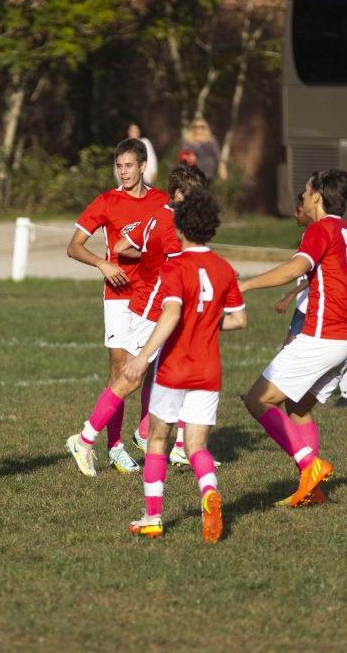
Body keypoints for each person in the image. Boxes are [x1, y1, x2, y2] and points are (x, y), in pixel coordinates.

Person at [240, 170, 347, 508]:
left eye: (305, 192)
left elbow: (294, 269)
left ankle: (310, 465)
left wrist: (245, 285)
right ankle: (312, 488)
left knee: (257, 400)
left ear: (318, 196)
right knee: (299, 406)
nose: (302, 198)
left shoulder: (320, 230)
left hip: (324, 336)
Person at [65, 163, 208, 477]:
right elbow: (181, 268)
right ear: (180, 194)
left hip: (156, 304)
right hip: (153, 310)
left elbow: (124, 246)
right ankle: (85, 439)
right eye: (194, 197)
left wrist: (147, 254)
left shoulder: (159, 215)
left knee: (181, 372)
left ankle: (169, 441)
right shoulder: (171, 223)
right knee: (131, 377)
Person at [123, 189, 246, 542]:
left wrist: (143, 356)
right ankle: (208, 491)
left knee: (158, 440)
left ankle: (153, 516)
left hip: (175, 369)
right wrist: (207, 322)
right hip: (209, 372)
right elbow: (238, 320)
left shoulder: (175, 267)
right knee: (197, 447)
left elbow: (172, 313)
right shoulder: (224, 268)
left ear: (179, 227)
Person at [66, 139, 169, 473]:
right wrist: (102, 263)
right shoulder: (107, 202)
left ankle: (141, 432)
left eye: (129, 166)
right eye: (119, 166)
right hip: (119, 296)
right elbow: (74, 247)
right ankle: (114, 446)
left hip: (152, 295)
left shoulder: (161, 202)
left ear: (142, 166)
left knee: (148, 368)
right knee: (120, 371)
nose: (123, 172)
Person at [273, 193, 347, 407]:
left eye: (299, 209)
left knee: (261, 400)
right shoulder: (342, 233)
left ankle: (271, 392)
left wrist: (288, 295)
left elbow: (303, 274)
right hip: (339, 326)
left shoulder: (319, 232)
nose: (295, 214)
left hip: (313, 307)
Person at [181, 117, 226, 182]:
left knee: (202, 191)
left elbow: (218, 156)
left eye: (201, 127)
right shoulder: (188, 141)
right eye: (196, 126)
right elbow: (183, 156)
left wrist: (222, 168)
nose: (198, 129)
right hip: (192, 173)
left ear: (205, 128)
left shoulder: (211, 141)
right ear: (192, 128)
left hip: (207, 174)